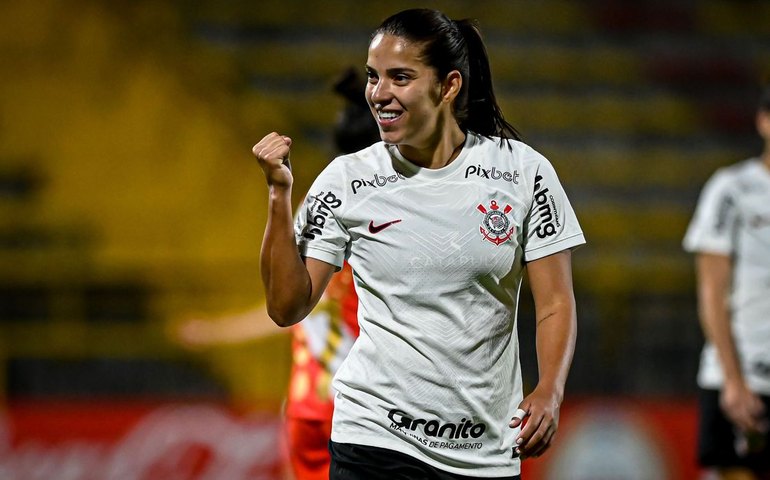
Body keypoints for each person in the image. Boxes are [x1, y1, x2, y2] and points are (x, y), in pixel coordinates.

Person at [252, 8, 585, 479]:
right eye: (373, 77)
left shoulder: (523, 173)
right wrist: (279, 194)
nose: (379, 94)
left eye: (400, 78)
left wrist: (550, 389)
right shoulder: (348, 179)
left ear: (448, 86)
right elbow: (286, 307)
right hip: (373, 437)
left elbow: (555, 302)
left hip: (485, 447)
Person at [175, 67, 378, 480]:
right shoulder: (397, 219)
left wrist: (215, 331)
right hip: (370, 408)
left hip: (308, 404)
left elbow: (286, 306)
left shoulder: (314, 207)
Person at [683, 85, 770, 479]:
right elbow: (712, 293)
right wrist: (734, 382)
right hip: (742, 378)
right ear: (764, 121)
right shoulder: (732, 190)